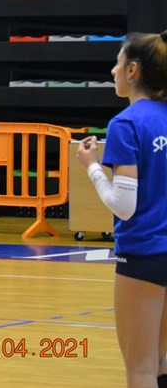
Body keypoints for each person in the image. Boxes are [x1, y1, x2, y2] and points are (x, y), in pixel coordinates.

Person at [76, 31, 167, 388]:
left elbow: (124, 207)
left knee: (141, 370)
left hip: (144, 253)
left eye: (117, 63)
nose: (112, 70)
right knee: (162, 361)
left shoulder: (127, 124)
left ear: (133, 70)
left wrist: (92, 167)